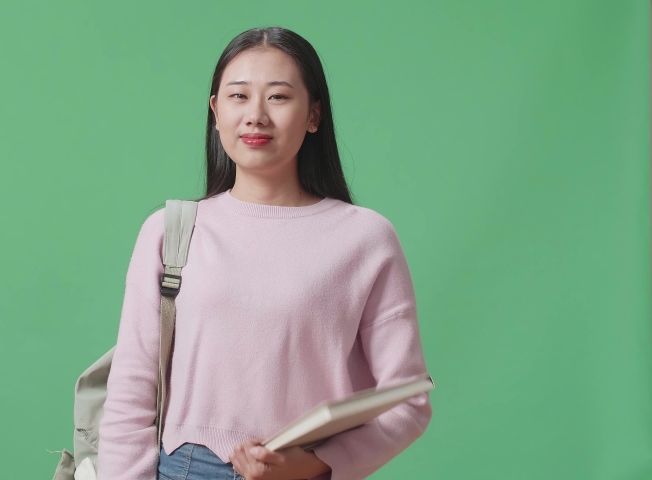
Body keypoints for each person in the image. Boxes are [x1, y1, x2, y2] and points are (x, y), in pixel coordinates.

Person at [97, 26, 432, 480]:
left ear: (314, 114)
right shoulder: (172, 231)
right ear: (215, 112)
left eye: (278, 97)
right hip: (182, 469)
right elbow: (131, 392)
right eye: (238, 96)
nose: (255, 116)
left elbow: (408, 400)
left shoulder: (366, 238)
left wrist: (314, 465)